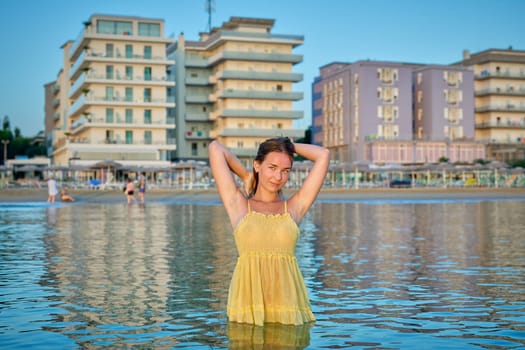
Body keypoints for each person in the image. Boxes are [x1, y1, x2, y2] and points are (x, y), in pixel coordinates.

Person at [209, 137, 330, 326]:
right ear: (257, 165)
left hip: (288, 308)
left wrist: (289, 146)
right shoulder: (239, 205)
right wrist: (246, 176)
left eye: (285, 170)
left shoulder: (293, 208)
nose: (278, 177)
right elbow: (215, 148)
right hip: (248, 307)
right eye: (272, 167)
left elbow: (323, 155)